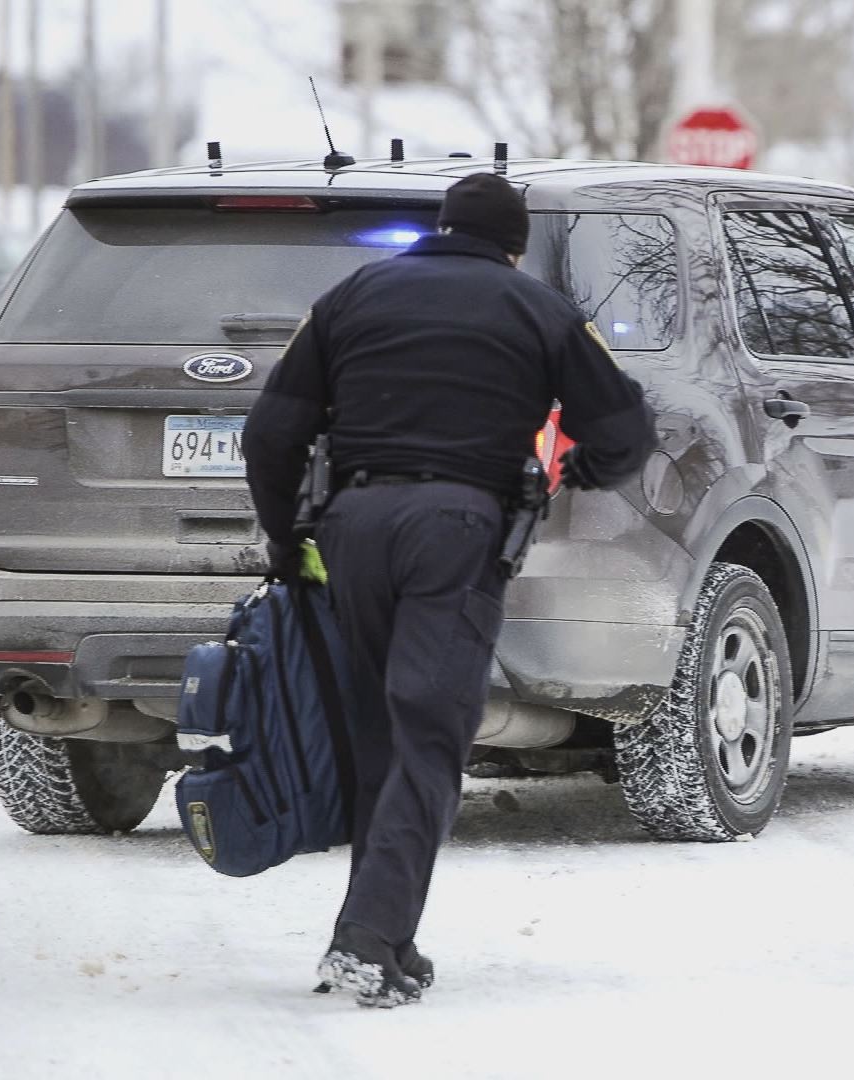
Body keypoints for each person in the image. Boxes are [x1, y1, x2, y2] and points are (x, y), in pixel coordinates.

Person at [243, 173, 656, 1006]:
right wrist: (580, 468)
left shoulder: (351, 297)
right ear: (514, 246)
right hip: (458, 530)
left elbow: (269, 434)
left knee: (381, 736)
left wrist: (288, 539)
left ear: (441, 227)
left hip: (352, 528)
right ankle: (368, 938)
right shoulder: (538, 308)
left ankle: (385, 937)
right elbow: (627, 430)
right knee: (429, 733)